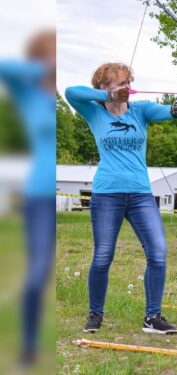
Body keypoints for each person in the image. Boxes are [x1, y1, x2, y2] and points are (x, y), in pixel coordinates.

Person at [64, 62, 177, 335]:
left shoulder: (141, 111)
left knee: (158, 253)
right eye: (120, 83)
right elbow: (70, 92)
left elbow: (171, 110)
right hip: (106, 194)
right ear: (104, 86)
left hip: (140, 194)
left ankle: (153, 318)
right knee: (102, 256)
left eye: (128, 82)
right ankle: (95, 314)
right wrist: (109, 98)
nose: (126, 87)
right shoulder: (93, 112)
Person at [0, 29, 55, 365]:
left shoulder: (62, 96)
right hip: (38, 196)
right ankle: (29, 344)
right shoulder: (29, 94)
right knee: (37, 272)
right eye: (51, 51)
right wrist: (42, 68)